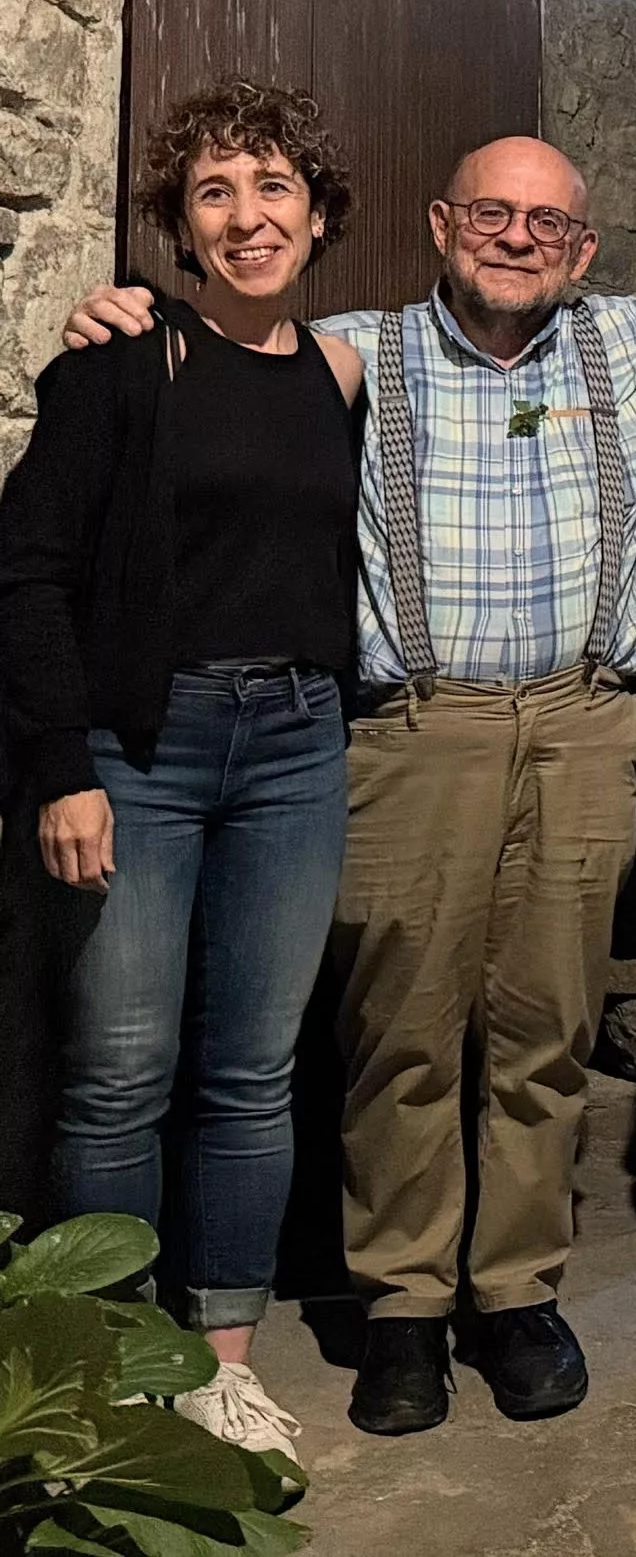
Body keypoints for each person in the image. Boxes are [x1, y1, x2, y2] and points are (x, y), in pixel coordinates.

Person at [52, 136, 636, 1437]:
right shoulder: (345, 352)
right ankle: (407, 1303)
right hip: (414, 730)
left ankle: (516, 1289)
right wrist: (126, 319)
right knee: (404, 1036)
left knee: (544, 1032)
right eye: (492, 210)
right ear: (440, 221)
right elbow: (213, 363)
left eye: (549, 220)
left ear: (587, 249)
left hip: (578, 726)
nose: (519, 235)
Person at [0, 82, 366, 1463]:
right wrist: (61, 767)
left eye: (274, 185)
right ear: (179, 224)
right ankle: (111, 1358)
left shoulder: (341, 373)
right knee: (118, 1069)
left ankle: (217, 1355)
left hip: (296, 744)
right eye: (215, 191)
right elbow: (28, 568)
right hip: (139, 751)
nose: (247, 213)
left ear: (318, 215)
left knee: (251, 1071)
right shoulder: (122, 358)